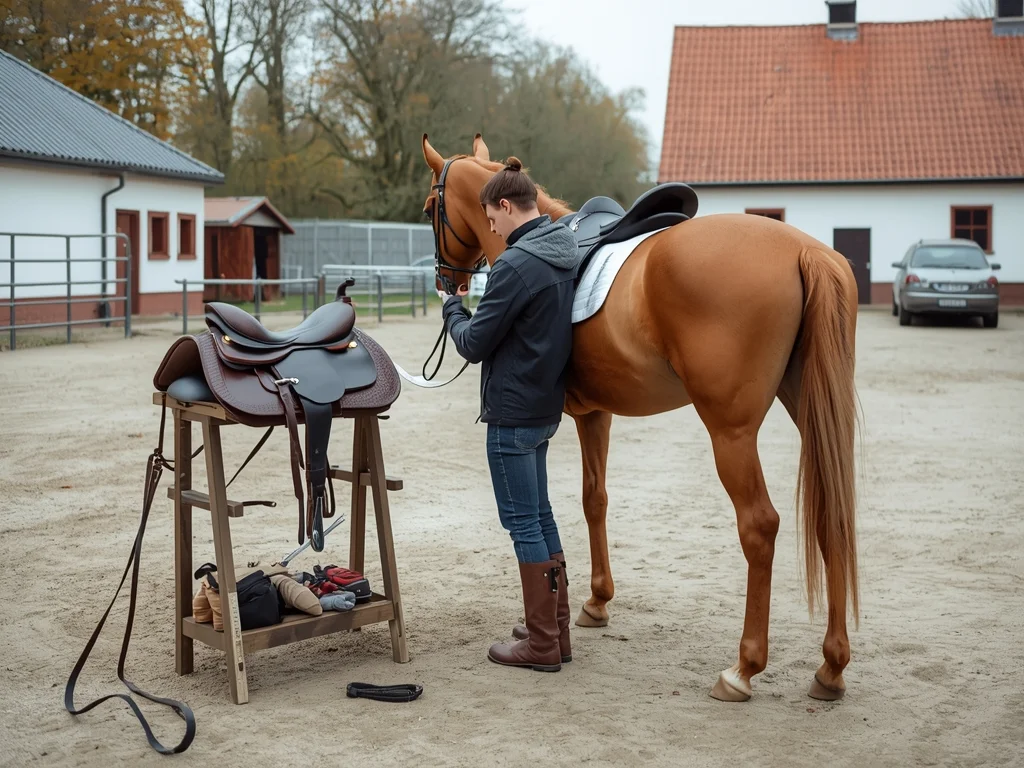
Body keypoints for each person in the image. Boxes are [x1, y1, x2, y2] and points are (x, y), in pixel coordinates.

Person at [439, 157, 581, 673]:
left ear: (505, 205)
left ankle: (541, 643)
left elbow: (474, 345)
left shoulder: (514, 265)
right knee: (541, 517)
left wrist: (453, 308)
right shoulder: (564, 252)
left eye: (491, 220)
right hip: (545, 410)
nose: (490, 231)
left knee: (523, 523)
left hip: (513, 416)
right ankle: (556, 631)